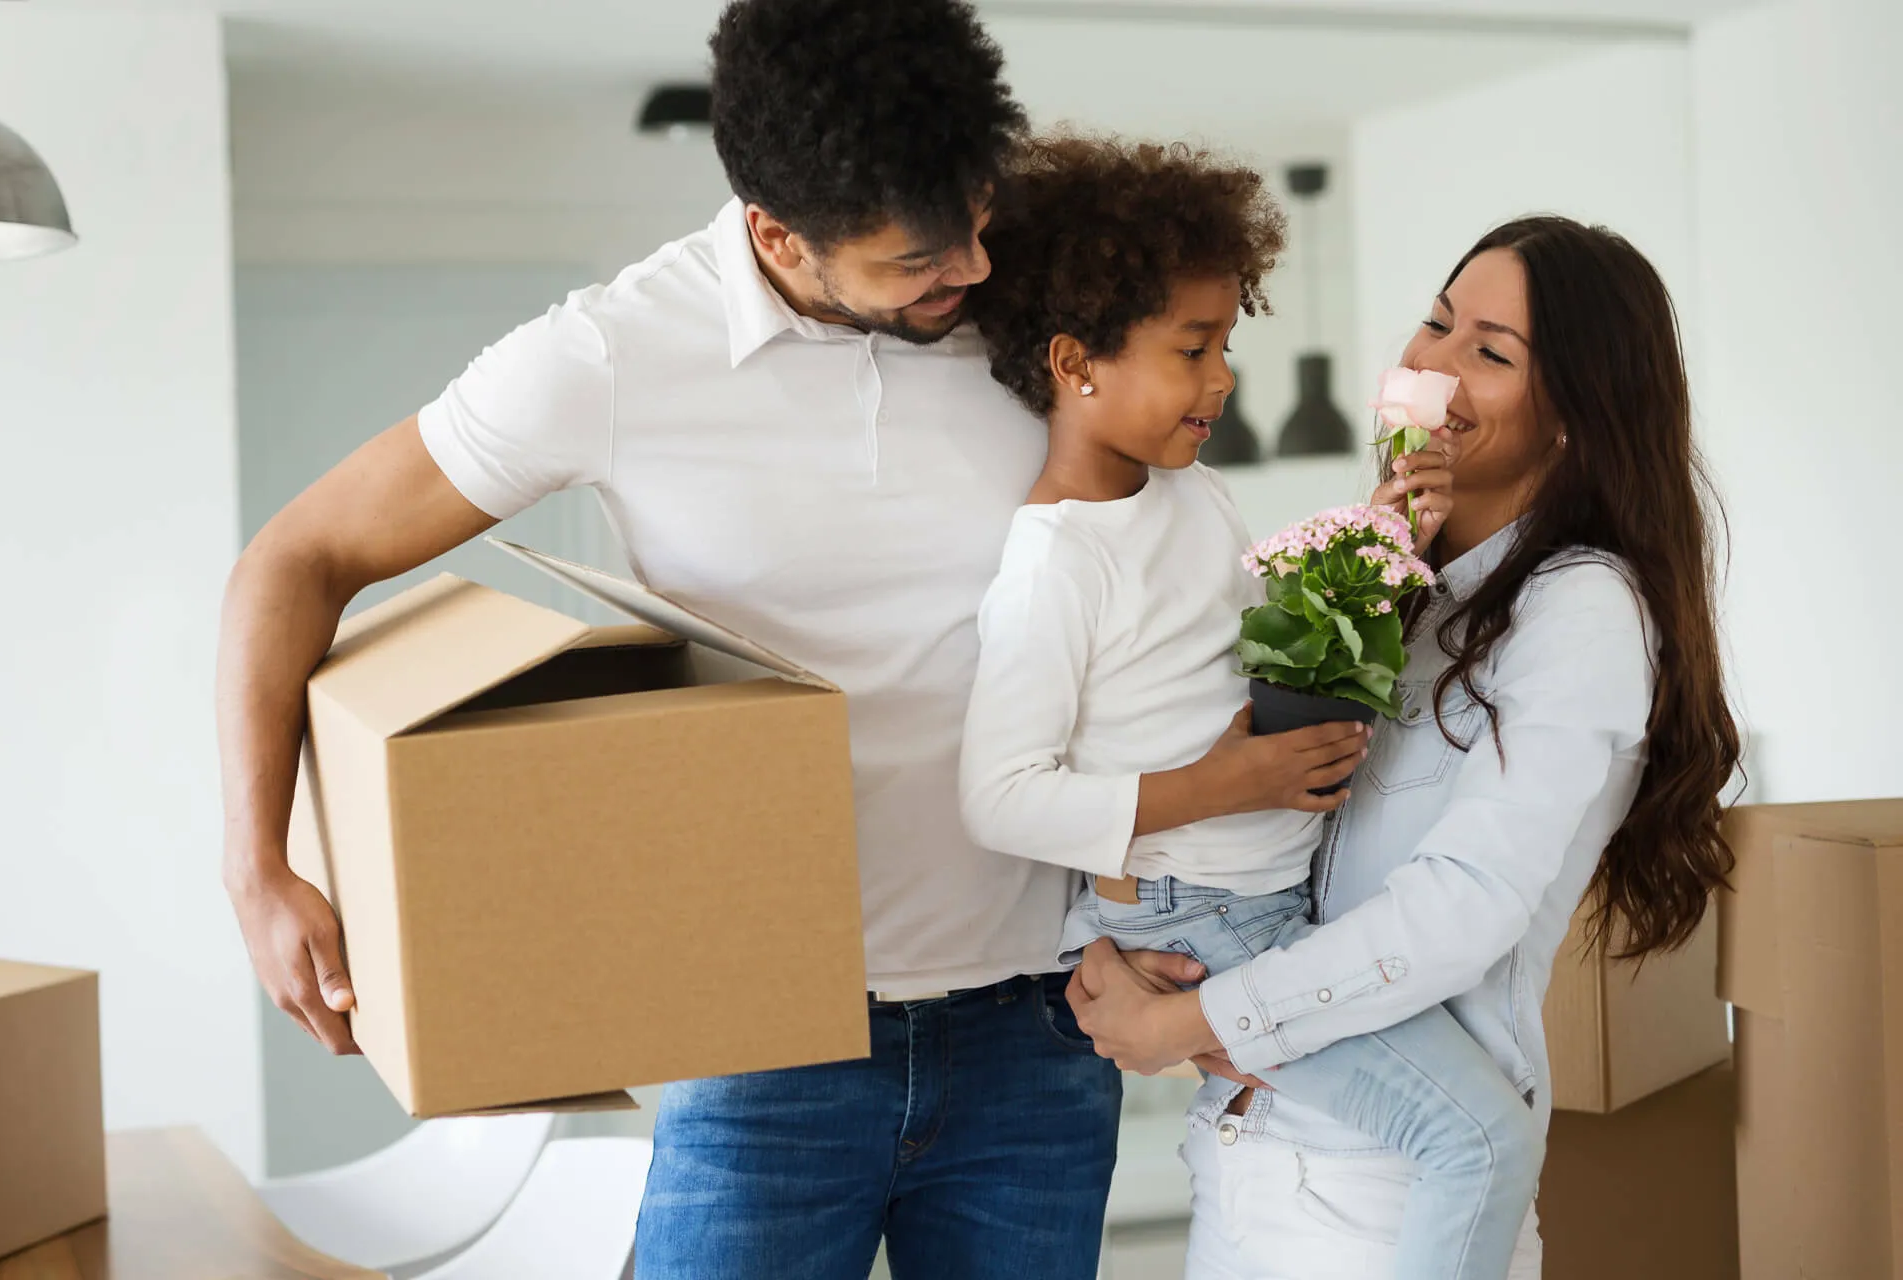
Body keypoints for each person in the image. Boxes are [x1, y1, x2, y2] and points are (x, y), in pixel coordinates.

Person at [216, 2, 1186, 1276]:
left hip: (1039, 1022)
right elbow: (298, 555)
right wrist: (255, 869)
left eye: (978, 219)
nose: (974, 275)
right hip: (761, 1041)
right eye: (917, 262)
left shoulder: (1033, 310)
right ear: (779, 234)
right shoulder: (612, 355)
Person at [1066, 215, 1742, 1278]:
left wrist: (1198, 1013)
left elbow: (1458, 909)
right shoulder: (1386, 584)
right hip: (1249, 1157)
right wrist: (1114, 954)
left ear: (1576, 414)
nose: (1430, 364)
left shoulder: (1579, 611)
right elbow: (1229, 810)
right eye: (1433, 323)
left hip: (1386, 1198)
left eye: (1489, 351)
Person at [959, 135, 1534, 1280]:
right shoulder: (1054, 560)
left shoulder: (1190, 492)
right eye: (1192, 347)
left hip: (1260, 901)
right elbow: (998, 797)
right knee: (1472, 1134)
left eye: (1224, 342)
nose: (1221, 378)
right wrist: (1226, 785)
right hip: (1203, 916)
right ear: (1075, 362)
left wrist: (1379, 537)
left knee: (1445, 1126)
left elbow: (1245, 655)